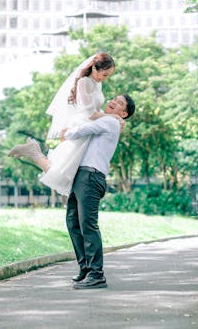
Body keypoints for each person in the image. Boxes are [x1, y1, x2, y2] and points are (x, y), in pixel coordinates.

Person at [7, 53, 122, 196]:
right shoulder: (84, 82)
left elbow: (96, 110)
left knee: (71, 173)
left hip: (90, 126)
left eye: (108, 76)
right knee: (61, 174)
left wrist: (110, 119)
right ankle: (33, 152)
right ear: (94, 68)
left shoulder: (97, 84)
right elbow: (90, 113)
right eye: (105, 75)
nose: (105, 79)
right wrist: (113, 116)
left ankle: (33, 151)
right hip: (82, 125)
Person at [59, 93, 135, 289]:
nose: (113, 102)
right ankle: (85, 268)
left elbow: (86, 128)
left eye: (119, 103)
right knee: (73, 222)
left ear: (124, 113)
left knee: (88, 225)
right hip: (82, 175)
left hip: (91, 177)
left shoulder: (111, 123)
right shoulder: (109, 119)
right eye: (114, 99)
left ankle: (97, 274)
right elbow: (92, 115)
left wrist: (67, 133)